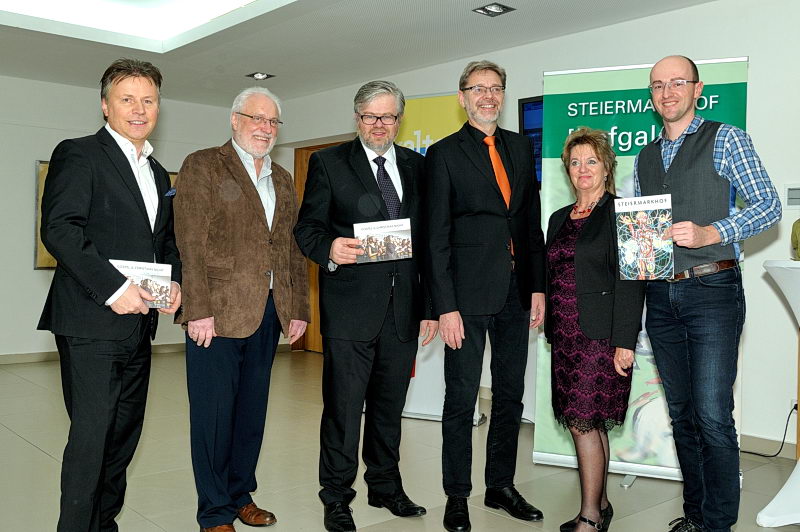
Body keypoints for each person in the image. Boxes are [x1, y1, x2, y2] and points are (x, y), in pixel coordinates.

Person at [635, 55, 781, 532]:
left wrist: (712, 231)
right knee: (681, 415)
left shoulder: (726, 138)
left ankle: (718, 525)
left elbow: (769, 204)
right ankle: (695, 517)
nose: (667, 92)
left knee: (713, 414)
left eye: (677, 82)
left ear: (698, 89)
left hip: (713, 290)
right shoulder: (645, 157)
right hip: (661, 297)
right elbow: (645, 235)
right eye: (658, 85)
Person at [38, 58, 181, 532]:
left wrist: (174, 281)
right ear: (105, 105)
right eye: (127, 99)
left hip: (139, 325)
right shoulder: (79, 154)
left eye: (148, 100)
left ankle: (104, 524)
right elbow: (60, 229)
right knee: (92, 439)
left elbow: (163, 242)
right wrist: (114, 288)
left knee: (122, 438)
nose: (139, 109)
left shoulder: (157, 172)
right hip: (90, 322)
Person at [294, 80, 437, 532]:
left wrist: (430, 307)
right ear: (357, 118)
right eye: (371, 116)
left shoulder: (417, 166)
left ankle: (385, 486)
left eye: (388, 116)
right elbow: (307, 229)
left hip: (403, 310)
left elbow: (429, 242)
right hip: (350, 311)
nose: (379, 124)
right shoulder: (328, 162)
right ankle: (336, 496)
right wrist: (330, 249)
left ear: (399, 120)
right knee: (343, 411)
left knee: (388, 409)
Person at [174, 87, 310, 532]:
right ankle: (214, 511)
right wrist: (197, 308)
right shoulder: (203, 165)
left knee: (251, 413)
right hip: (215, 314)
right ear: (235, 120)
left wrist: (297, 307)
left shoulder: (283, 178)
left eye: (272, 121)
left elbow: (291, 249)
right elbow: (189, 243)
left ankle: (240, 495)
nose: (265, 128)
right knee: (213, 416)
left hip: (268, 312)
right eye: (256, 118)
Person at [425, 60, 546, 532]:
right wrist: (445, 306)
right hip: (466, 297)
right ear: (463, 98)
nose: (488, 97)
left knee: (510, 396)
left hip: (516, 293)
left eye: (496, 88)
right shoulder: (443, 154)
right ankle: (457, 495)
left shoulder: (519, 147)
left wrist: (538, 285)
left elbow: (529, 222)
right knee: (461, 399)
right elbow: (436, 237)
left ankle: (500, 487)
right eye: (478, 89)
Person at [545, 127, 645, 532]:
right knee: (590, 421)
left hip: (600, 337)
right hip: (564, 334)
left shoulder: (625, 213)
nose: (582, 169)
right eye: (575, 162)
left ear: (606, 167)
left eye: (591, 161)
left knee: (582, 420)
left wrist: (624, 342)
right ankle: (601, 505)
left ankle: (589, 517)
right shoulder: (557, 218)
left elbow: (633, 281)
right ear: (567, 170)